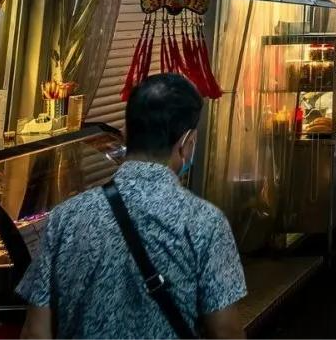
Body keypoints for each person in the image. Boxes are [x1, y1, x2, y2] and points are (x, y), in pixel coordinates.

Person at [17, 74, 246, 340]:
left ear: (126, 135)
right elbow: (225, 331)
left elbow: (35, 333)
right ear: (187, 144)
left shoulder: (64, 219)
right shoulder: (205, 223)